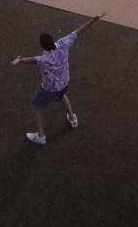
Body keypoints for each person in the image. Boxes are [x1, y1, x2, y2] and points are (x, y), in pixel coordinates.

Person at [11, 14, 105, 146]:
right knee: (62, 94)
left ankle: (41, 135)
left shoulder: (46, 58)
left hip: (50, 88)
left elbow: (32, 60)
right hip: (65, 82)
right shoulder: (63, 43)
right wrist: (93, 21)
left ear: (43, 46)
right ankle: (72, 118)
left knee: (37, 106)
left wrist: (19, 60)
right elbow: (79, 31)